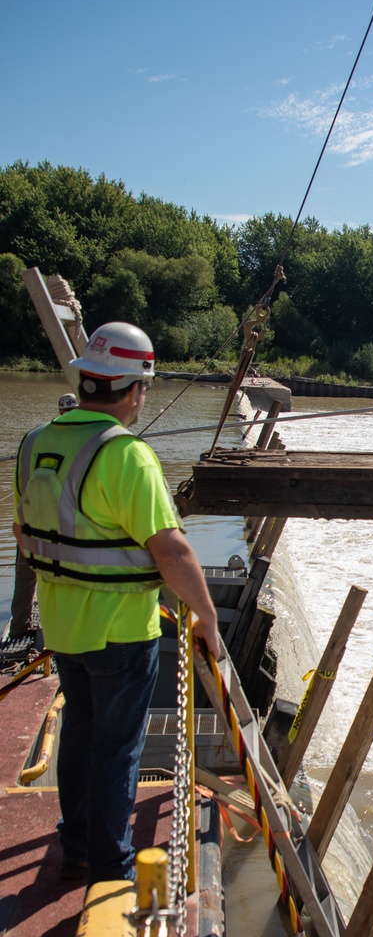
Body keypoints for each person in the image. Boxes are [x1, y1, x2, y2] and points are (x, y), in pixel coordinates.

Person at [13, 322, 221, 883]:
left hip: (63, 627)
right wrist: (205, 617)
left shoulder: (34, 444)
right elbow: (172, 551)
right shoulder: (127, 455)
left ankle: (76, 844)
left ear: (85, 380)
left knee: (80, 728)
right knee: (117, 748)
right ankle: (111, 866)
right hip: (122, 632)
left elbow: (24, 533)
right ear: (134, 390)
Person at [8, 392, 79, 639]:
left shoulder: (34, 437)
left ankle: (19, 629)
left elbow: (18, 482)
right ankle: (57, 633)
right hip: (59, 529)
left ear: (59, 410)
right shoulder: (81, 441)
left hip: (28, 521)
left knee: (25, 580)